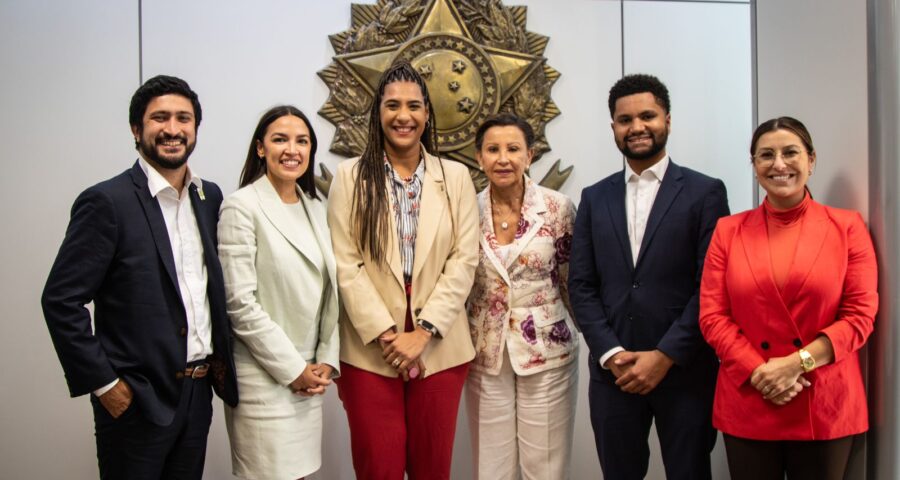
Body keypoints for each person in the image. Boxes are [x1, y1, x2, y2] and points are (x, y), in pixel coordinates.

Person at [41, 75, 238, 479]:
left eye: (184, 118)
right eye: (159, 118)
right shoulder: (107, 202)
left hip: (197, 395)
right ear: (137, 129)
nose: (172, 129)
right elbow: (61, 300)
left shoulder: (210, 197)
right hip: (136, 400)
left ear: (195, 129)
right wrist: (105, 384)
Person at [568, 73, 730, 480]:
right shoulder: (594, 196)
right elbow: (582, 285)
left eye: (647, 116)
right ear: (613, 129)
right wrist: (610, 353)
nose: (637, 127)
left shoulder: (705, 192)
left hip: (685, 370)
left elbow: (711, 284)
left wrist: (665, 355)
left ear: (667, 121)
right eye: (625, 120)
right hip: (614, 374)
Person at [699, 116, 878, 480]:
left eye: (790, 152)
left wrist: (796, 364)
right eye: (766, 155)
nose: (778, 164)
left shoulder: (848, 227)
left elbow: (860, 316)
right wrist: (761, 372)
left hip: (823, 398)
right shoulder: (728, 231)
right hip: (751, 395)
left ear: (811, 160)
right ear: (754, 166)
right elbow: (712, 316)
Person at [326, 60, 479, 480]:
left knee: (433, 467)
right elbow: (346, 261)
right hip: (370, 347)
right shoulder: (350, 176)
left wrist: (424, 331)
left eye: (414, 105)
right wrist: (388, 335)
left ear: (428, 113)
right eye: (392, 105)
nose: (403, 116)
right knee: (380, 466)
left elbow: (464, 258)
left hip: (441, 345)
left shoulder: (457, 177)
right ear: (378, 113)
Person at [217, 105, 339, 479]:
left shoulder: (315, 207)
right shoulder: (241, 207)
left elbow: (332, 292)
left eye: (302, 141)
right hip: (264, 379)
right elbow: (240, 305)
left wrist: (326, 360)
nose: (292, 150)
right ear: (260, 148)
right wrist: (293, 369)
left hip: (309, 379)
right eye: (280, 139)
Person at [464, 113, 578, 479]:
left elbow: (570, 280)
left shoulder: (558, 208)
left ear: (529, 155)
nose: (503, 158)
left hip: (548, 350)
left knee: (544, 466)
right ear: (479, 157)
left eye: (513, 149)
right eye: (492, 149)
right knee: (491, 467)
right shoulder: (465, 208)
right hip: (485, 352)